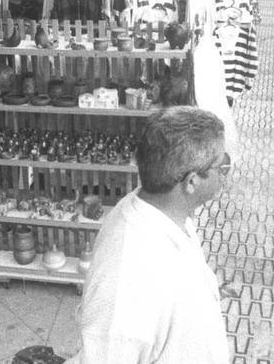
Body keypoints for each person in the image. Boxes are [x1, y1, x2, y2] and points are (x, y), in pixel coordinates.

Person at [70, 106, 232, 363]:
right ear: (191, 182)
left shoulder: (165, 209)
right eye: (223, 165)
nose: (226, 174)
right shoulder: (126, 280)